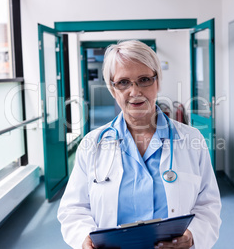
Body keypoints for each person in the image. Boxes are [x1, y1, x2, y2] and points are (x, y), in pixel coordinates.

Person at [57, 40, 221, 249]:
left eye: (144, 79)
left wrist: (193, 236)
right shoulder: (92, 144)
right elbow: (74, 209)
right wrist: (83, 238)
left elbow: (208, 205)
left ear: (157, 82)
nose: (135, 91)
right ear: (112, 88)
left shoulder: (192, 140)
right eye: (123, 82)